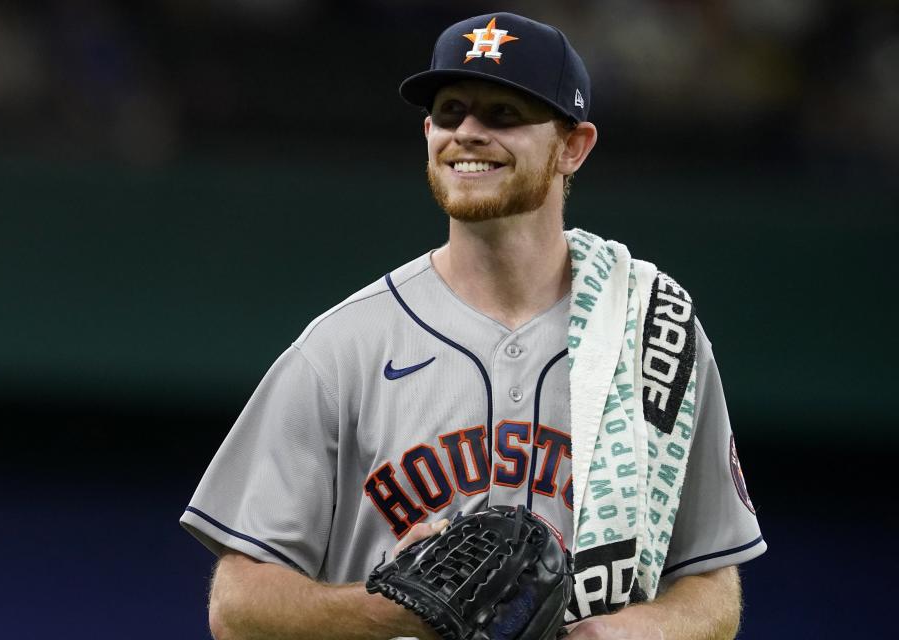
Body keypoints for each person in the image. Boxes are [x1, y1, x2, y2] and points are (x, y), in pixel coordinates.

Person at [180, 12, 766, 640]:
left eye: (504, 115)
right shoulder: (341, 348)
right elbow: (237, 607)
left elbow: (711, 589)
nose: (469, 133)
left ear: (573, 146)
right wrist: (392, 608)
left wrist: (614, 635)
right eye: (452, 112)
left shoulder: (649, 332)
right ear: (428, 132)